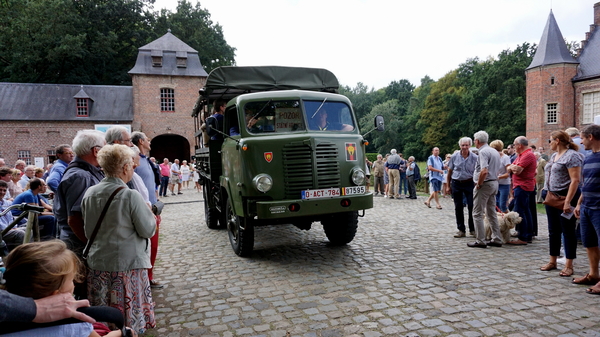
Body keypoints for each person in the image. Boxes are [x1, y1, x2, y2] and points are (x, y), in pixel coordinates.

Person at [82, 144, 156, 333]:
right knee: (126, 315)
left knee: (103, 313)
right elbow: (148, 230)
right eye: (131, 164)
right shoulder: (130, 195)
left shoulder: (90, 193)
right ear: (124, 168)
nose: (133, 168)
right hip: (125, 266)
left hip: (97, 263)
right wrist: (150, 215)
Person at [0, 241, 131, 336]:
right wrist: (121, 333)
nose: (74, 284)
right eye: (71, 280)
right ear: (56, 294)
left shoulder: (6, 318)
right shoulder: (74, 323)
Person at [539, 130, 582, 278]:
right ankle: (553, 260)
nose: (549, 143)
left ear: (557, 140)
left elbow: (575, 180)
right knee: (553, 230)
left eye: (550, 140)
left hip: (565, 197)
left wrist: (568, 201)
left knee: (568, 231)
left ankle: (569, 264)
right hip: (551, 196)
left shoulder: (572, 156)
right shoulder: (553, 156)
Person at [131, 131, 163, 289]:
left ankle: (149, 276)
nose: (150, 142)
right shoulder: (135, 160)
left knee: (154, 246)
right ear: (141, 141)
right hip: (144, 211)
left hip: (153, 209)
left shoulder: (145, 160)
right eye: (148, 140)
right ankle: (146, 279)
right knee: (147, 247)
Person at [573, 124, 600, 294]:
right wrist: (579, 203)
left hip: (599, 208)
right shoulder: (588, 157)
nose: (581, 142)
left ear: (591, 137)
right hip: (586, 207)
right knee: (589, 243)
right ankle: (593, 274)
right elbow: (585, 184)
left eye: (582, 138)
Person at [468, 131, 502, 248]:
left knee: (477, 213)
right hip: (494, 183)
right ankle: (497, 237)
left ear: (477, 141)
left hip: (485, 184)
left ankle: (480, 240)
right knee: (491, 212)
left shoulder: (483, 152)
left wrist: (479, 184)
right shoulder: (495, 151)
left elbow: (484, 170)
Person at [507, 136, 537, 245]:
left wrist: (512, 167)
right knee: (525, 210)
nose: (514, 146)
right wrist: (512, 167)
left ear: (520, 145)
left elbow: (517, 170)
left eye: (514, 144)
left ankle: (523, 237)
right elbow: (510, 167)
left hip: (523, 186)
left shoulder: (528, 155)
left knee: (520, 211)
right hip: (521, 186)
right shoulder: (520, 155)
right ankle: (527, 235)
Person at [446, 137, 478, 238]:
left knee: (471, 206)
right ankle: (461, 229)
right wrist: (448, 185)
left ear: (470, 145)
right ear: (460, 146)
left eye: (466, 145)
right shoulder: (454, 156)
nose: (464, 147)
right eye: (463, 145)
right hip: (457, 183)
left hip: (469, 183)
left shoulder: (474, 157)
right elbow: (449, 172)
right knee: (458, 206)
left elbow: (477, 171)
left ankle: (472, 229)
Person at [0, 180, 25, 251]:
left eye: (4, 190)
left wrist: (13, 227)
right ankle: (15, 256)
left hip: (8, 229)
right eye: (0, 190)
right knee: (20, 233)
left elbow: (10, 218)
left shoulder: (7, 203)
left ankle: (23, 252)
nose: (2, 192)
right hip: (2, 230)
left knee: (28, 229)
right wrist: (10, 228)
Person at [490, 140, 511, 213]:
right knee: (496, 204)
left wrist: (498, 177)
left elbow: (508, 173)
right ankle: (499, 220)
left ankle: (508, 219)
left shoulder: (505, 158)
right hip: (495, 184)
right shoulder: (493, 158)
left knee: (502, 205)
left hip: (504, 184)